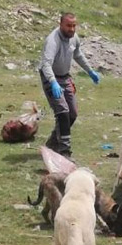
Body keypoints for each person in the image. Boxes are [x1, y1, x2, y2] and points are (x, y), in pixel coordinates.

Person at [38, 12, 101, 158]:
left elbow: (78, 55)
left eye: (74, 26)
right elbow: (46, 65)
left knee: (72, 114)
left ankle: (53, 143)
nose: (71, 29)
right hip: (50, 77)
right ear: (61, 24)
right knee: (62, 112)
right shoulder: (52, 41)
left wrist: (90, 71)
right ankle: (65, 152)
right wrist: (53, 83)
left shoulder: (74, 38)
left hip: (65, 77)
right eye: (68, 26)